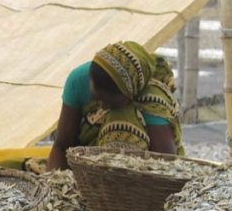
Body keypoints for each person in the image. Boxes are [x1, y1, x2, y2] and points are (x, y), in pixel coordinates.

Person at [48, 41, 183, 170]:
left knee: (121, 118)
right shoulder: (78, 81)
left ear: (131, 93)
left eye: (110, 102)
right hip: (88, 170)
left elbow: (166, 163)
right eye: (97, 98)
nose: (103, 106)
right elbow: (62, 145)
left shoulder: (152, 99)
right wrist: (56, 184)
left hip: (142, 175)